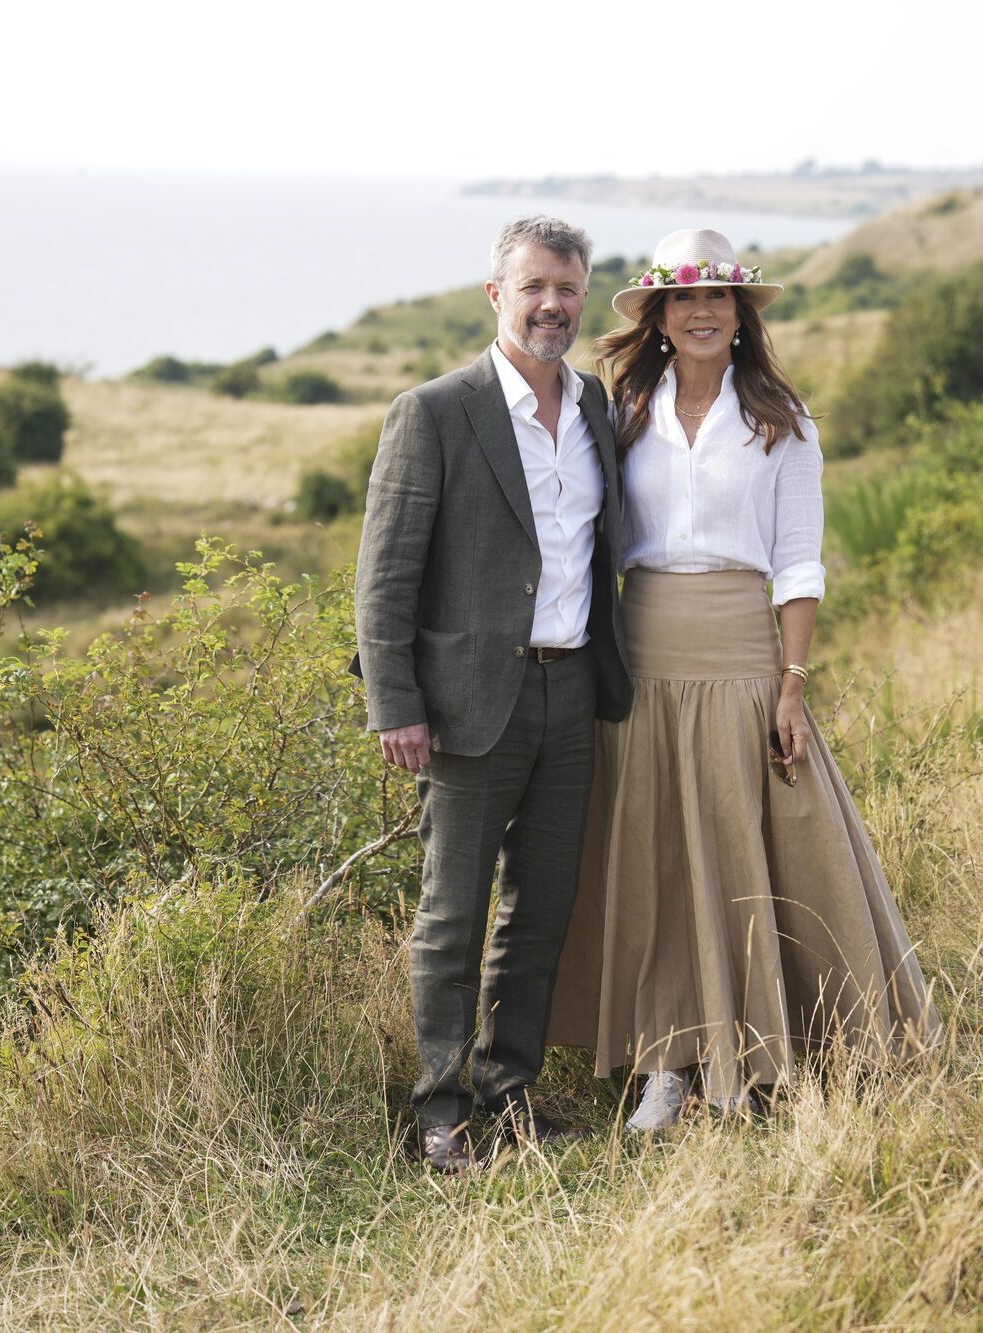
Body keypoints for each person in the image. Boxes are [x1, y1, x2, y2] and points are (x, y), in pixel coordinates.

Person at [545, 228, 939, 1131]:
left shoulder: (781, 423)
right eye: (684, 300)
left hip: (740, 653)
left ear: (740, 315)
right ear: (657, 318)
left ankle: (759, 1051)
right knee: (657, 858)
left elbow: (798, 565)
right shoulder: (623, 411)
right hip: (639, 653)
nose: (700, 313)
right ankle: (667, 1064)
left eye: (717, 298)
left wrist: (791, 683)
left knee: (746, 849)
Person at [352, 215, 631, 1173]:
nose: (552, 304)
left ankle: (511, 1095)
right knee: (453, 913)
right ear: (497, 296)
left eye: (568, 289)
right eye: (535, 288)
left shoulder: (596, 407)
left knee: (541, 908)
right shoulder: (434, 411)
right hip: (469, 704)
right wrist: (396, 703)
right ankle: (441, 1108)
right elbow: (383, 576)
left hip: (573, 693)